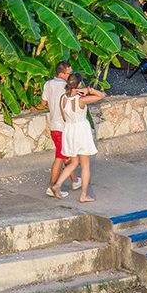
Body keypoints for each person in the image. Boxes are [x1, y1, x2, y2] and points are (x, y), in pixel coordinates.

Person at [49, 74, 105, 203]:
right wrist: (89, 89)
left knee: (73, 162)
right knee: (85, 165)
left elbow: (63, 117)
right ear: (79, 84)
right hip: (81, 130)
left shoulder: (63, 98)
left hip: (69, 130)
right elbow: (101, 96)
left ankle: (57, 185)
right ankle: (83, 195)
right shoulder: (81, 99)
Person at [41, 62, 80, 198]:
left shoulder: (48, 84)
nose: (71, 76)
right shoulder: (66, 87)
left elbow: (43, 103)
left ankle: (75, 181)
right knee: (60, 156)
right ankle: (52, 186)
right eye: (69, 73)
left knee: (65, 155)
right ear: (61, 73)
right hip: (63, 126)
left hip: (54, 125)